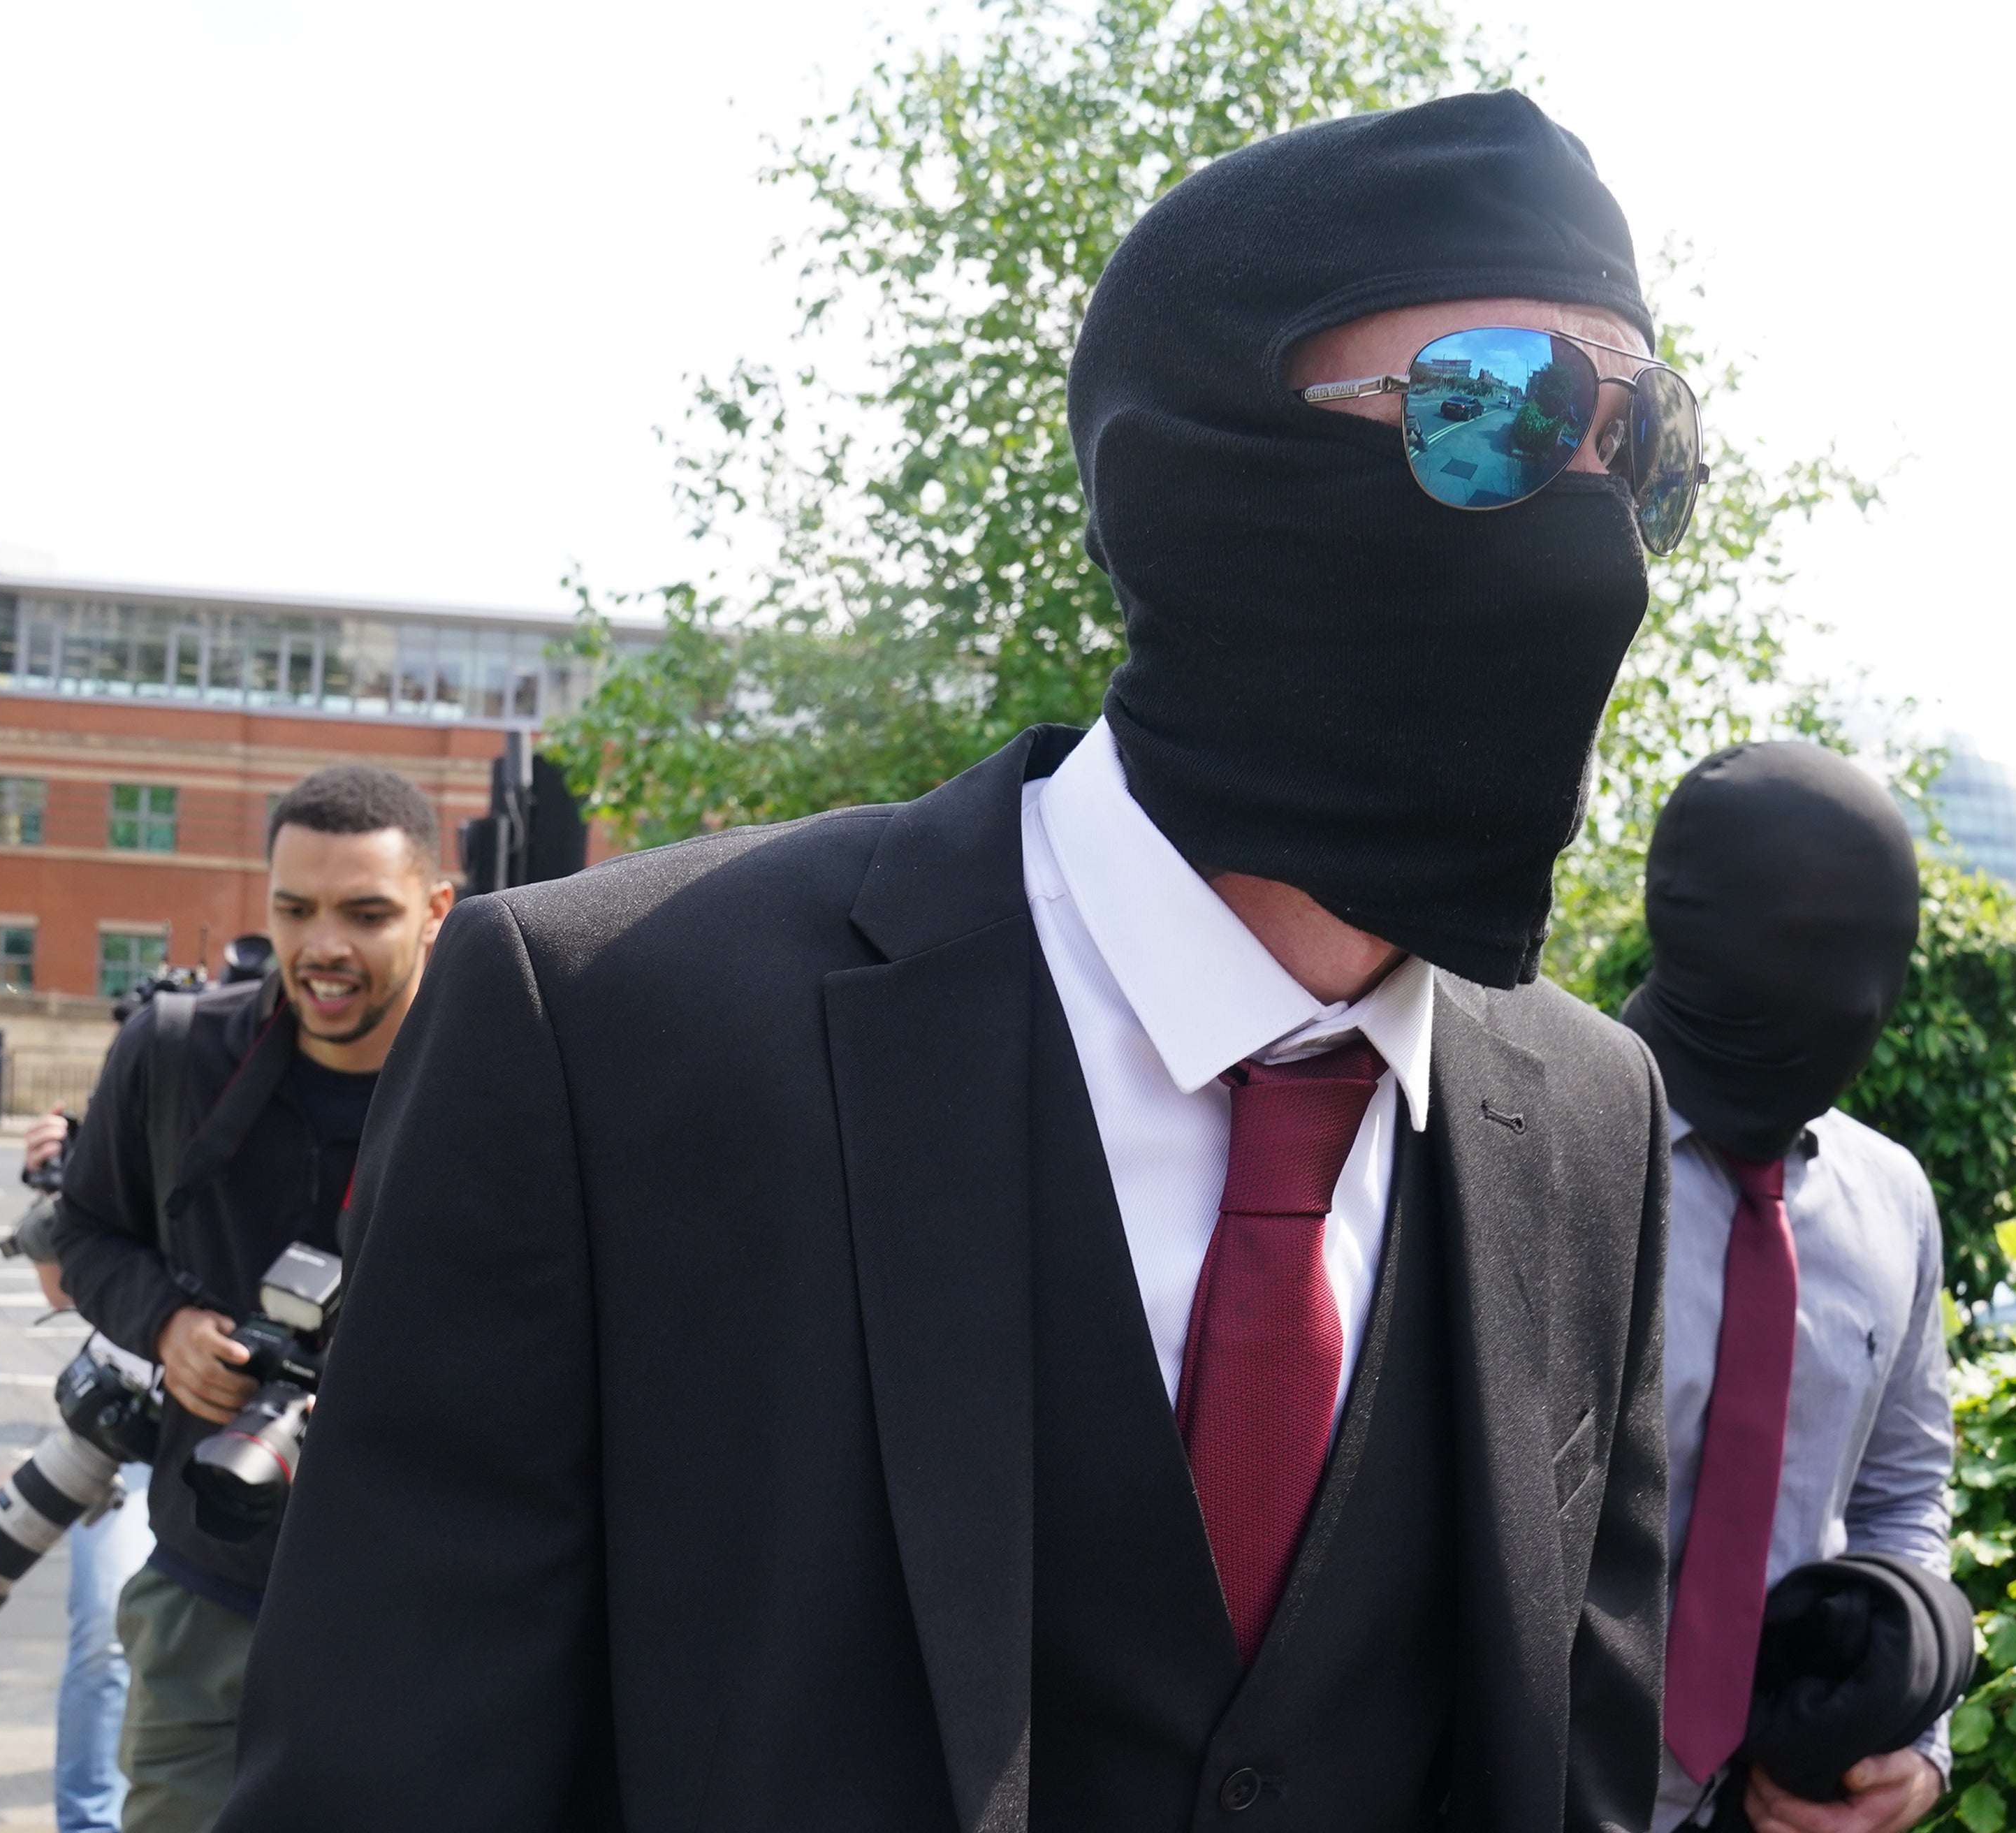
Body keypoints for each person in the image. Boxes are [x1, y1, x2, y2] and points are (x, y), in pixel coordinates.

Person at [220, 90, 1685, 1832]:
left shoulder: (1590, 1116)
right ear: (1203, 460)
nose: (1590, 532)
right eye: (1498, 415)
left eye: (1644, 451)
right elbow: (390, 1773)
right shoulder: (614, 1028)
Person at [50, 766, 453, 1833]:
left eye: (367, 914)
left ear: (437, 911)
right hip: (207, 1583)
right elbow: (86, 1231)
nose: (324, 947)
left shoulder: (496, 1078)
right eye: (294, 909)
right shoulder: (179, 1052)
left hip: (420, 1608)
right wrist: (169, 1325)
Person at [1619, 745, 1955, 1833]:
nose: (1859, 997)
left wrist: (1912, 1745)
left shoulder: (1891, 1201)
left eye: (1886, 955)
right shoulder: (1532, 1155)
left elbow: (1905, 1490)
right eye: (1810, 947)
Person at [17, 1107, 155, 1833]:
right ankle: (88, 1822)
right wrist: (53, 1189)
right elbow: (60, 1288)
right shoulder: (148, 1085)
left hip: (268, 1430)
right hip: (135, 1421)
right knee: (103, 1629)